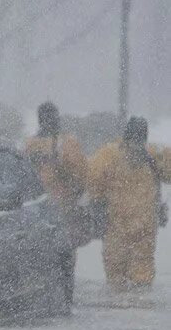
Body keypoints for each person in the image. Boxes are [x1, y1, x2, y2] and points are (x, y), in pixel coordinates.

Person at [88, 117, 171, 292]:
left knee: (137, 276)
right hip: (119, 227)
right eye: (133, 141)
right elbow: (94, 181)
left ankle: (131, 311)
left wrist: (97, 202)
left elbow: (93, 180)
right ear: (126, 138)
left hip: (138, 230)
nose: (136, 147)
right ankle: (130, 309)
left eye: (139, 141)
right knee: (119, 276)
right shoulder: (111, 155)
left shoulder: (150, 156)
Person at [24, 102, 89, 247]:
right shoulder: (67, 142)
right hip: (60, 208)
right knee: (62, 253)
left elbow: (22, 174)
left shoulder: (30, 144)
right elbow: (81, 175)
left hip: (36, 208)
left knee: (38, 250)